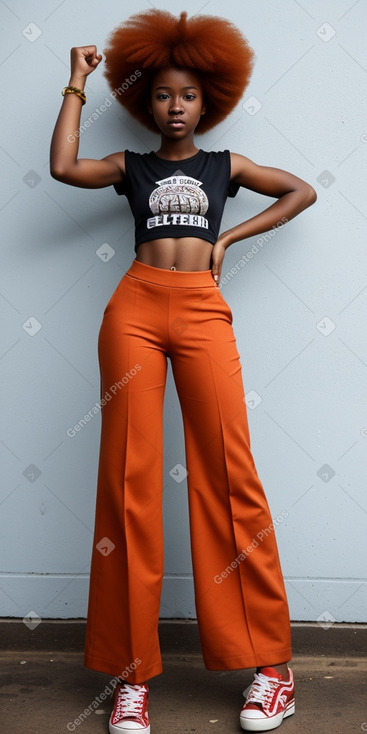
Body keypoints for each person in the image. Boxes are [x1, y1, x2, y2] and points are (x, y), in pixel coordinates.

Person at [50, 9, 316, 734]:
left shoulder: (226, 167)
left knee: (229, 472)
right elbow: (63, 168)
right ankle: (131, 677)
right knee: (129, 479)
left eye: (188, 96)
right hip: (133, 308)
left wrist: (230, 238)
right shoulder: (130, 169)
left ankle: (271, 669)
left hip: (200, 308)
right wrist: (75, 83)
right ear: (146, 102)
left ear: (209, 101)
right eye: (163, 95)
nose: (175, 107)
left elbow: (301, 191)